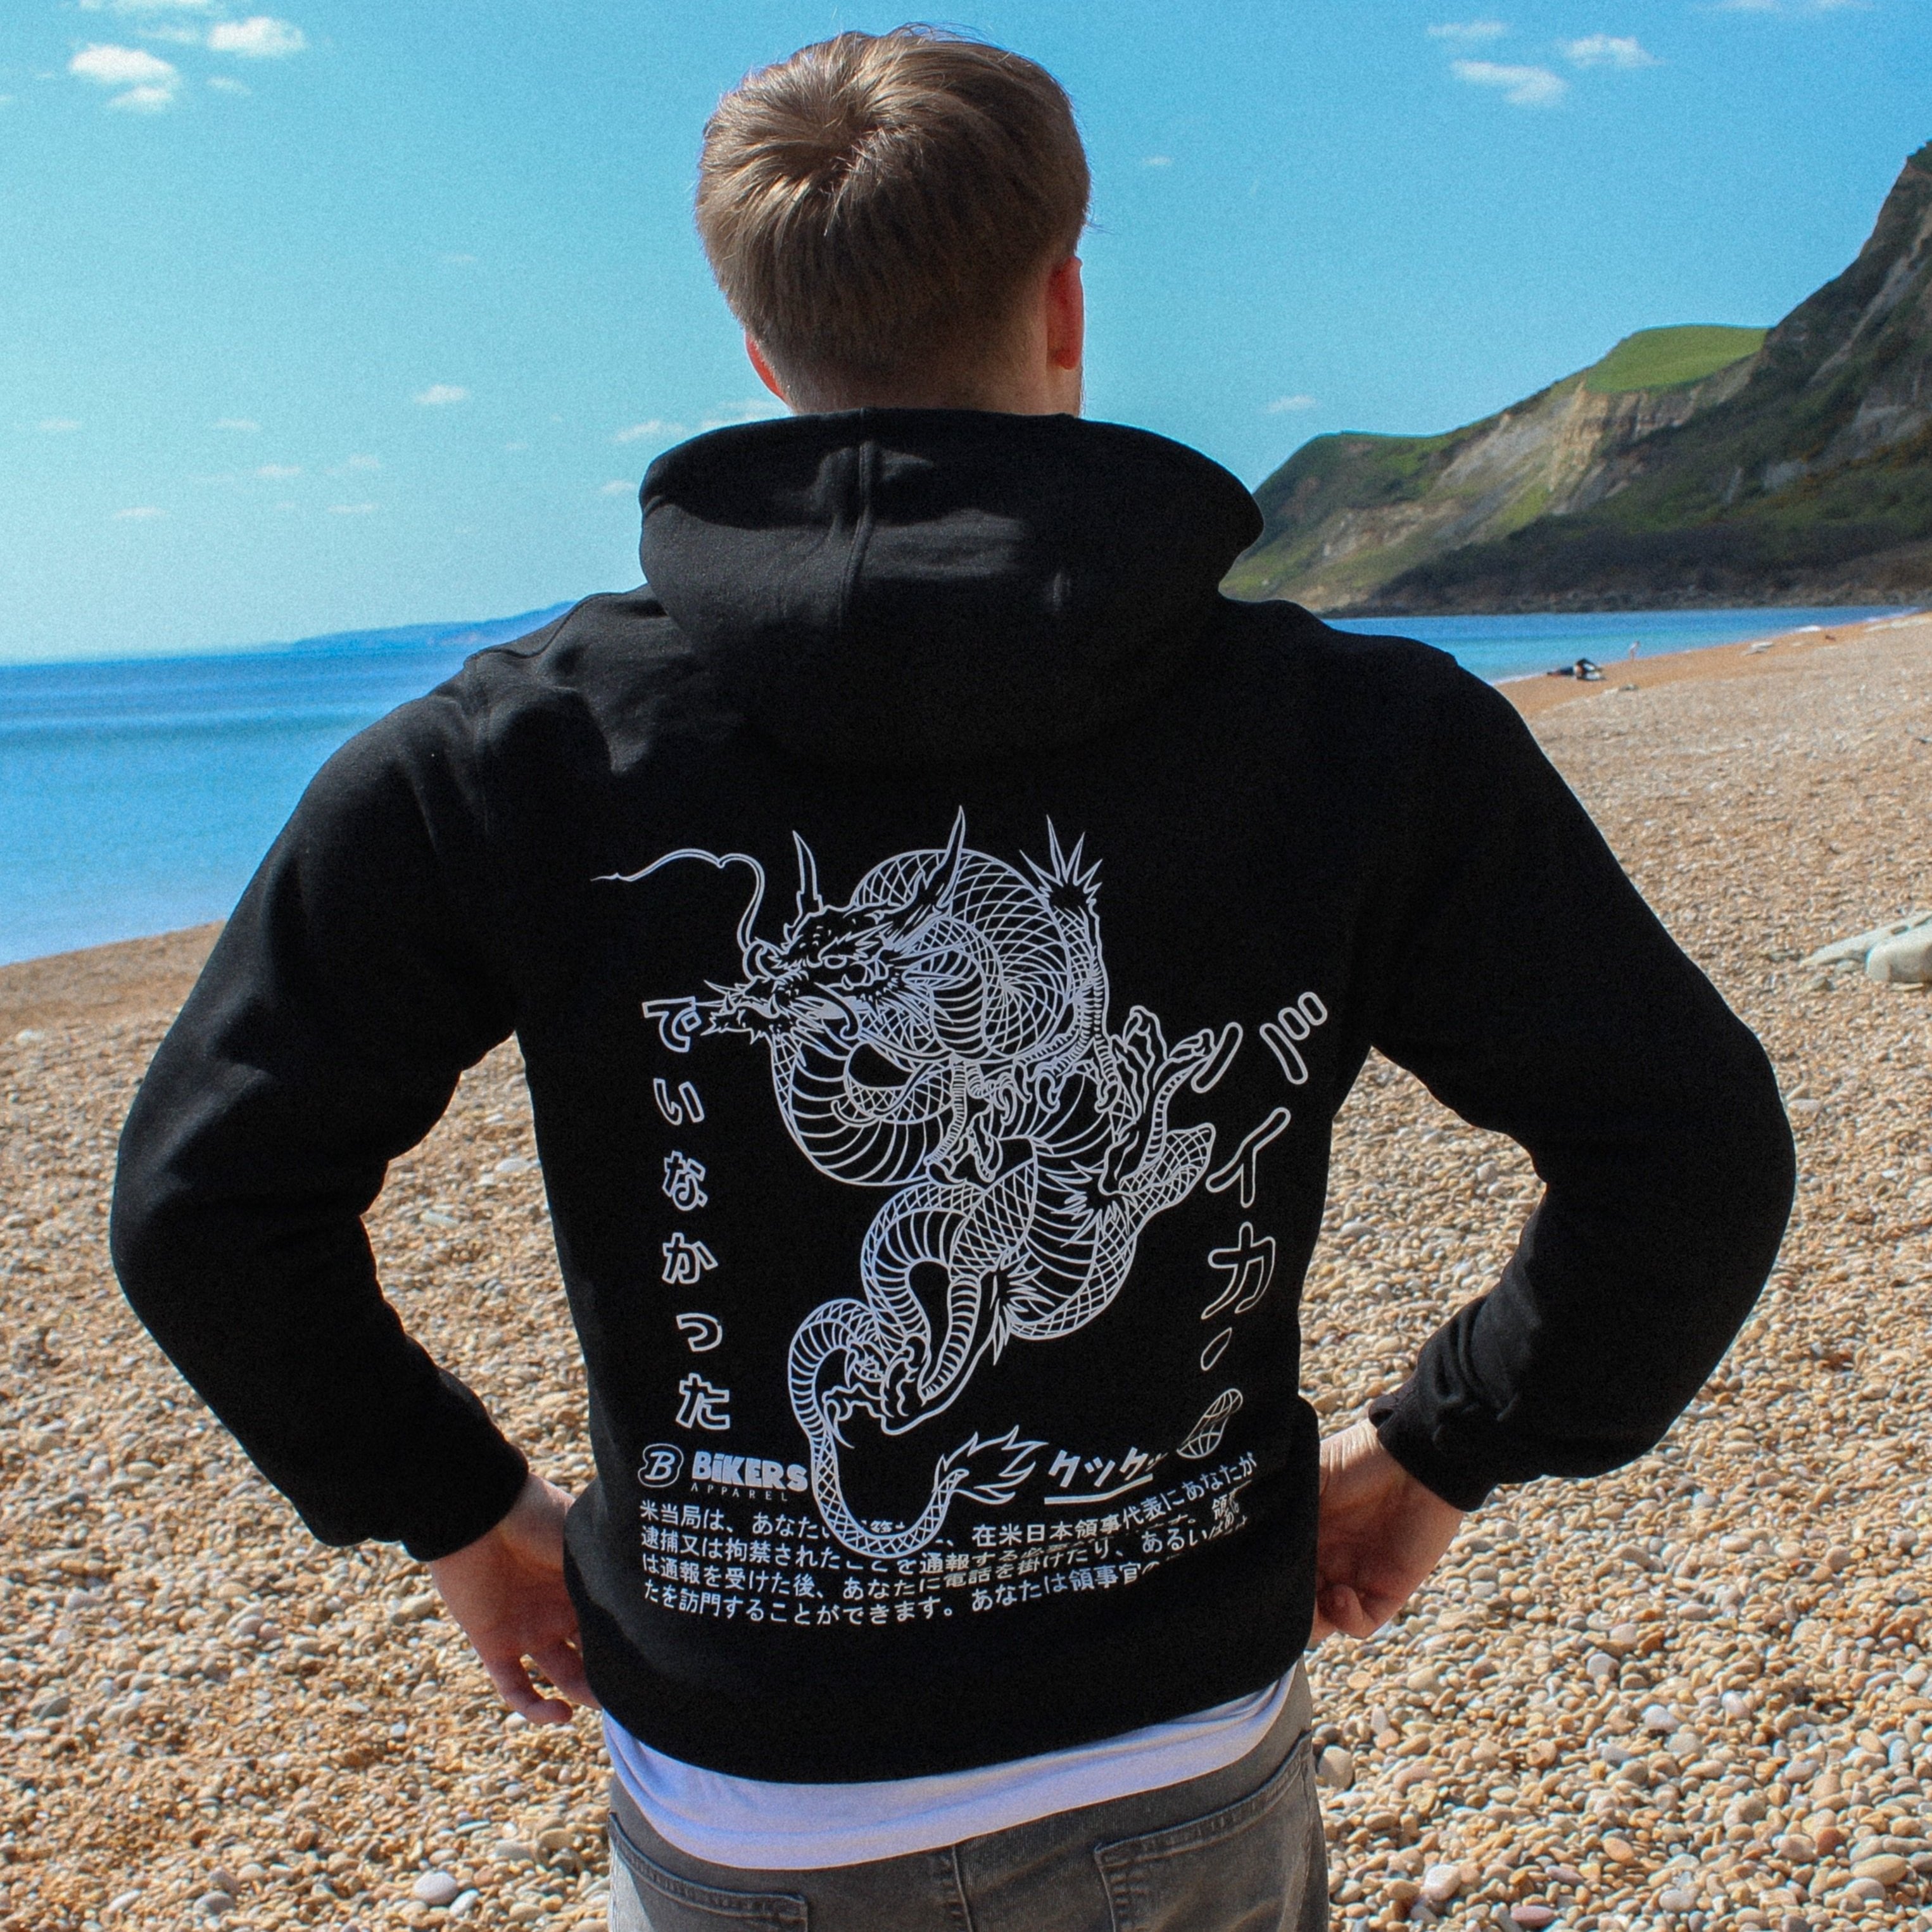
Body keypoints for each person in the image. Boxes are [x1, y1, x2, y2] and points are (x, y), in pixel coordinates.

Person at [111, 27, 1796, 1932]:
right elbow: (1691, 1149)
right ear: (1064, 305)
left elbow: (202, 1203)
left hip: (750, 1799)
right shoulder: (1364, 735)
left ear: (763, 353)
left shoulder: (509, 757)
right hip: (1179, 1747)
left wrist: (450, 1503)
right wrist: (1441, 1451)